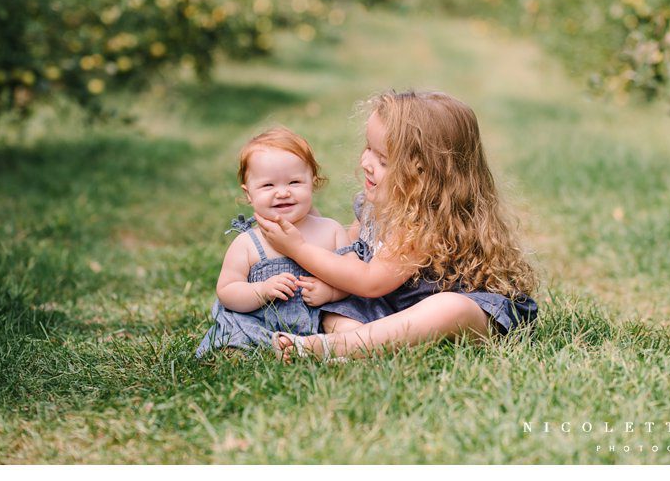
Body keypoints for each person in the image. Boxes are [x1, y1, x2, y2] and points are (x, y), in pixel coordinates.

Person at [255, 90, 538, 362]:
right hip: (389, 308)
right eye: (368, 148)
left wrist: (298, 247)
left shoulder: (425, 224)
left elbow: (369, 281)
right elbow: (348, 246)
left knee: (449, 308)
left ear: (425, 175)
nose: (366, 163)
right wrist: (311, 232)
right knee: (334, 306)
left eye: (383, 160)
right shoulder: (375, 207)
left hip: (468, 315)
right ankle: (358, 345)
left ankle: (337, 346)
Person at [195, 127, 352, 356]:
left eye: (294, 182)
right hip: (259, 323)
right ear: (249, 194)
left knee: (346, 321)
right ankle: (242, 351)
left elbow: (352, 277)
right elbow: (227, 291)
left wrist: (331, 293)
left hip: (319, 321)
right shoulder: (247, 243)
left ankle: (321, 348)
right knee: (237, 330)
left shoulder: (331, 230)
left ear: (313, 183)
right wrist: (262, 290)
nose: (282, 193)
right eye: (268, 185)